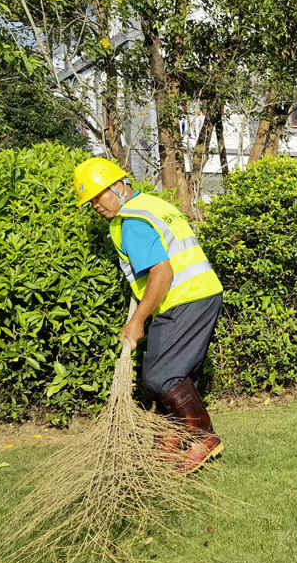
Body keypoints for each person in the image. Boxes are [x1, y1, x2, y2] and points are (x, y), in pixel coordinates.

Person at [73, 156, 225, 473]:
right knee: (179, 373)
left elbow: (162, 273)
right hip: (203, 292)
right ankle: (172, 438)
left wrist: (138, 319)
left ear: (117, 186)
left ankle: (204, 438)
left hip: (183, 298)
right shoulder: (152, 206)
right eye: (89, 202)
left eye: (98, 197)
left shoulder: (131, 223)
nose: (95, 207)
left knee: (161, 375)